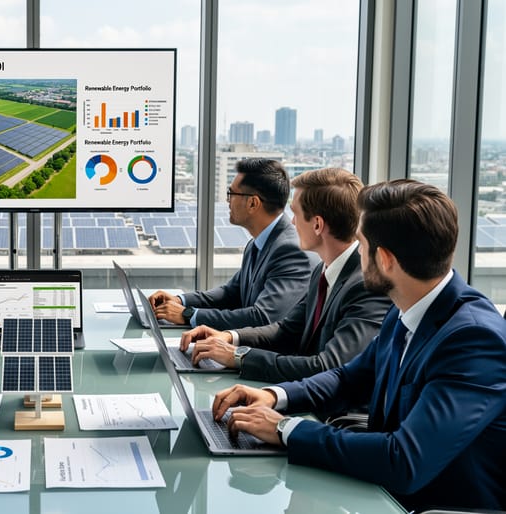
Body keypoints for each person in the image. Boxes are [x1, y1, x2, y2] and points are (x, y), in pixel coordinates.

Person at [213, 179, 506, 512]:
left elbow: (404, 460)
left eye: (361, 243)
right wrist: (275, 396)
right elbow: (348, 378)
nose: (356, 251)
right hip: (380, 494)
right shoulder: (407, 307)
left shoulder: (473, 340)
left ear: (385, 259)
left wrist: (285, 428)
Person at [179, 168, 390, 384]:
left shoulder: (366, 285)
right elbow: (286, 330)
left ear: (317, 225)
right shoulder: (323, 270)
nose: (292, 223)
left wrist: (238, 356)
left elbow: (327, 366)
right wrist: (230, 337)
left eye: (295, 214)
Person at [149, 159, 317, 328]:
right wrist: (180, 300)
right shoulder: (256, 244)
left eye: (231, 194)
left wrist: (188, 315)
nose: (227, 201)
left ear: (253, 203)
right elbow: (231, 293)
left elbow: (262, 317)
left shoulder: (291, 251)